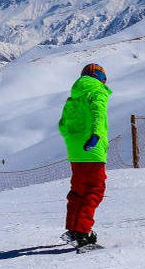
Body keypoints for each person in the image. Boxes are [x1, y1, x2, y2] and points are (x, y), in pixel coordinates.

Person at [57, 63, 111, 251]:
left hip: (75, 151)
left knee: (78, 190)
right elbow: (99, 114)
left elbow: (63, 126)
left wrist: (73, 141)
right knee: (94, 190)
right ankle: (82, 233)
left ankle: (73, 229)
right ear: (101, 78)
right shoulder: (98, 92)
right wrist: (95, 135)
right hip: (92, 149)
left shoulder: (73, 97)